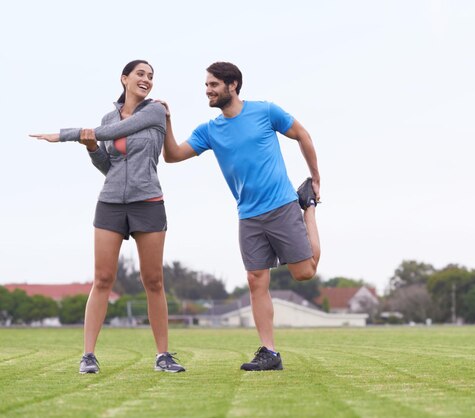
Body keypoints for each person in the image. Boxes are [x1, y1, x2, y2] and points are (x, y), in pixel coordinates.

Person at [160, 61, 321, 371]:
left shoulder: (265, 111)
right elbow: (172, 156)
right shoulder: (210, 130)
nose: (207, 90)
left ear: (232, 85)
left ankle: (309, 208)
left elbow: (303, 135)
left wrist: (315, 179)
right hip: (248, 215)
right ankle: (269, 352)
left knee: (305, 272)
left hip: (283, 205)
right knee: (255, 280)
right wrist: (167, 121)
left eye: (213, 85)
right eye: (206, 85)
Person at [30, 60, 185, 374]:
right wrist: (90, 147)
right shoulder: (106, 118)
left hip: (148, 201)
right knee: (102, 279)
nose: (147, 80)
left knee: (153, 281)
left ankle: (163, 356)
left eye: (151, 76)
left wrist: (66, 135)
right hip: (111, 202)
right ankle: (88, 355)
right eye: (140, 74)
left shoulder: (156, 111)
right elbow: (108, 165)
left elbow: (116, 132)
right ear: (124, 78)